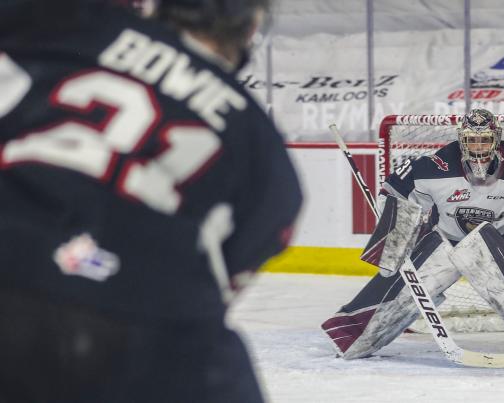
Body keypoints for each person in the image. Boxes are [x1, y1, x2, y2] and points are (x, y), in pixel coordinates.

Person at [0, 0, 302, 402]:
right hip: (143, 323)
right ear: (252, 29)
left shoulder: (72, 24)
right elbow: (223, 280)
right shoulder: (264, 149)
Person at [321, 109, 504, 361]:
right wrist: (395, 235)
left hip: (502, 243)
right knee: (405, 293)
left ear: (496, 139)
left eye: (484, 140)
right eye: (471, 140)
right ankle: (352, 335)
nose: (478, 146)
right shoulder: (435, 166)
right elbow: (394, 191)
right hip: (445, 241)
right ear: (461, 140)